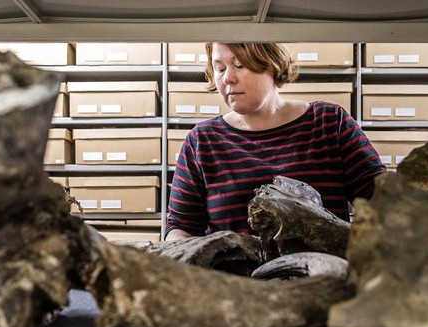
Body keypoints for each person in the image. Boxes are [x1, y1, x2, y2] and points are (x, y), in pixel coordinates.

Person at [165, 42, 386, 241]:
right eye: (220, 68)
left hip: (320, 280)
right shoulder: (202, 140)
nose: (227, 78)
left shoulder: (329, 122)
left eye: (240, 65)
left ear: (272, 63)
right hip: (233, 283)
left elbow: (386, 201)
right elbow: (181, 228)